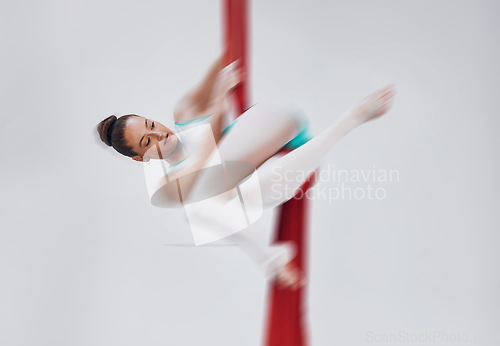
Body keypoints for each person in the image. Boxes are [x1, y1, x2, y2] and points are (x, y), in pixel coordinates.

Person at [96, 55, 396, 289]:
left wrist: (220, 84)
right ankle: (271, 259)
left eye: (151, 125)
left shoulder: (185, 115)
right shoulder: (174, 181)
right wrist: (217, 100)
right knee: (197, 208)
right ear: (141, 158)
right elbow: (205, 169)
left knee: (199, 194)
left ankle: (349, 121)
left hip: (276, 124)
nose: (159, 134)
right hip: (284, 168)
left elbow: (224, 59)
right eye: (148, 142)